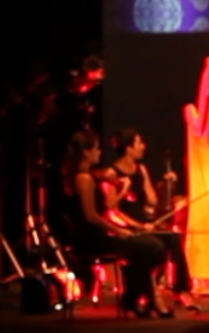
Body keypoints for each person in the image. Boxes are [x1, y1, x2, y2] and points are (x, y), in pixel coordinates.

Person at [57, 130, 167, 317]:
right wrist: (118, 230)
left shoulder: (87, 176)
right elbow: (91, 216)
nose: (100, 152)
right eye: (96, 149)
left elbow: (99, 178)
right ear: (86, 152)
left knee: (148, 248)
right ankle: (138, 297)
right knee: (153, 248)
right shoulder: (84, 179)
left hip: (96, 236)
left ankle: (135, 299)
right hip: (91, 240)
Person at [103, 129, 197, 312]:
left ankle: (182, 289)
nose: (143, 147)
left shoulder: (141, 169)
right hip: (127, 228)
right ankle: (146, 292)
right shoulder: (112, 173)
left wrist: (165, 186)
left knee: (174, 237)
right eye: (139, 143)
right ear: (129, 148)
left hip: (145, 224)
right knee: (156, 247)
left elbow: (152, 200)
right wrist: (138, 224)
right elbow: (112, 210)